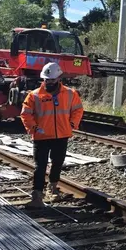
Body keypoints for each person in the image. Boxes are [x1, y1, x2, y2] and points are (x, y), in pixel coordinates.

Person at [20, 62, 84, 208]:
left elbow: (78, 110)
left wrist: (72, 124)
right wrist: (33, 128)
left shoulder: (69, 94)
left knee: (58, 163)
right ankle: (37, 195)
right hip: (41, 137)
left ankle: (53, 188)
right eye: (46, 80)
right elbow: (26, 114)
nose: (48, 82)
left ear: (58, 79)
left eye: (51, 80)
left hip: (61, 135)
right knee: (40, 166)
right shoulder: (34, 95)